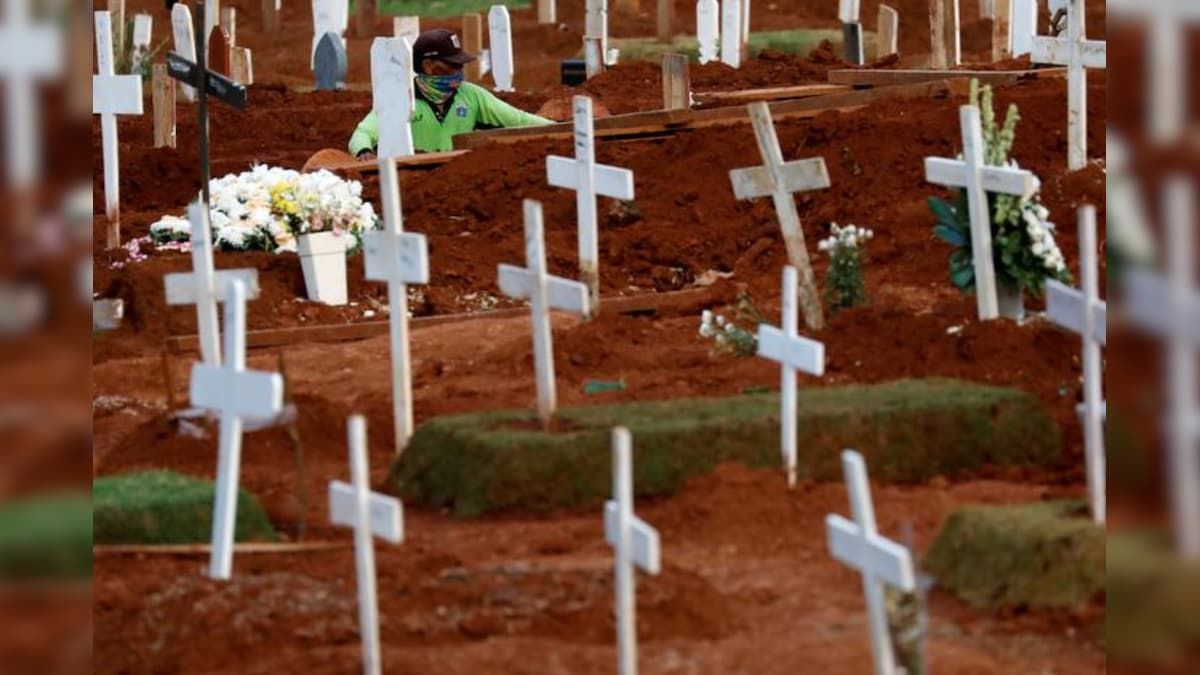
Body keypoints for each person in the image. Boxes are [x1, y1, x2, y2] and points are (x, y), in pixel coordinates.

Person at [349, 28, 552, 158]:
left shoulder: (472, 95)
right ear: (428, 65)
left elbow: (519, 120)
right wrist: (364, 151)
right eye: (452, 65)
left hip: (457, 183)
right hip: (413, 185)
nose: (459, 72)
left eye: (460, 65)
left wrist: (564, 129)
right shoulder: (399, 99)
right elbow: (363, 133)